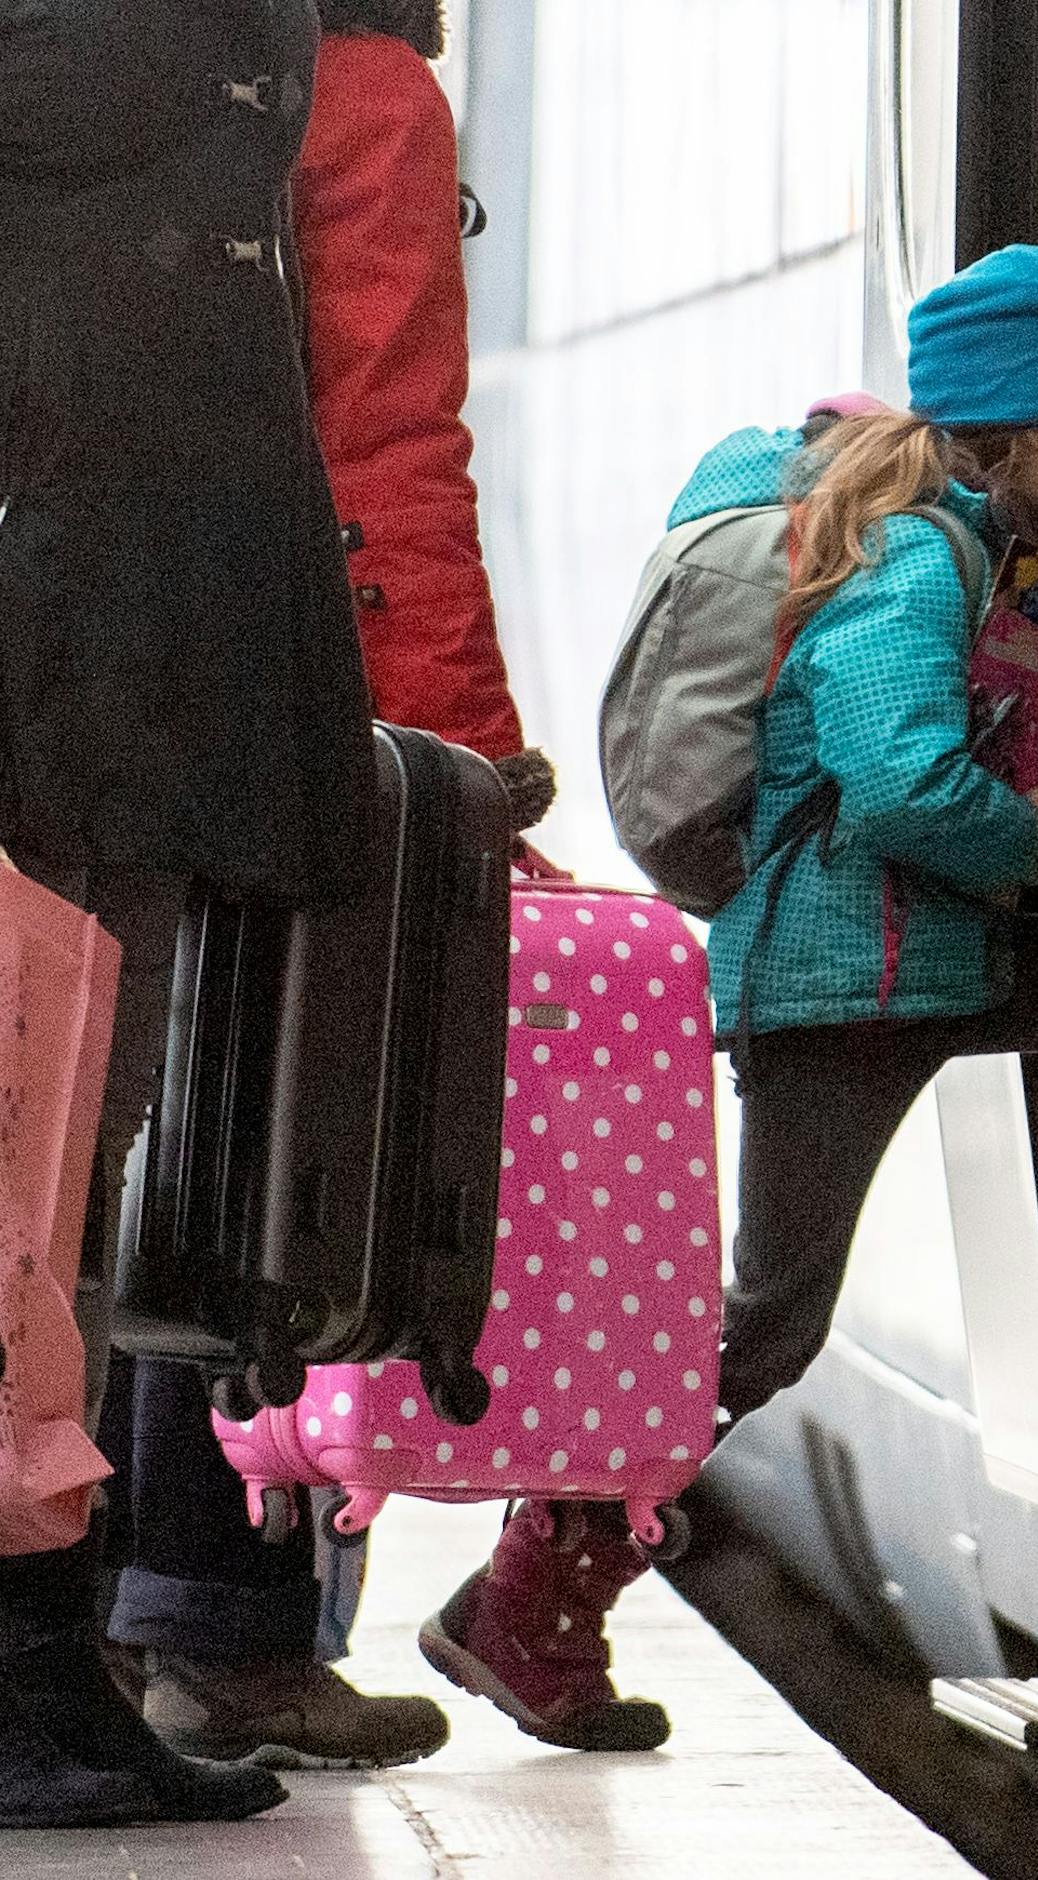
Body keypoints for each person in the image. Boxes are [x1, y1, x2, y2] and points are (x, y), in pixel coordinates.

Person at [418, 244, 1038, 1750]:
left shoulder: (986, 551)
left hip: (929, 958)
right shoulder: (913, 561)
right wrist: (1027, 839)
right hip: (837, 983)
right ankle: (527, 1599)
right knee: (763, 1322)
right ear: (1015, 445)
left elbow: (1000, 772)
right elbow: (902, 785)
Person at [97, 0, 554, 1773]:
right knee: (270, 1147)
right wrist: (461, 751)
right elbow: (383, 442)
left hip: (81, 668)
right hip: (270, 685)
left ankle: (105, 1620)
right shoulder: (353, 87)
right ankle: (225, 1629)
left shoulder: (93, 62)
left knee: (102, 1148)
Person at [0, 0, 378, 1829]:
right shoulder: (115, 58)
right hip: (77, 685)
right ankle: (28, 1681)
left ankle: (43, 1663)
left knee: (60, 1202)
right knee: (35, 1195)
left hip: (137, 683)